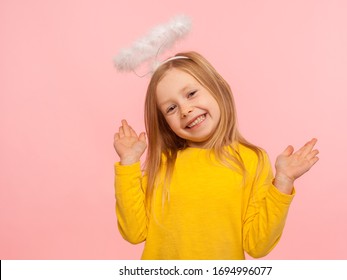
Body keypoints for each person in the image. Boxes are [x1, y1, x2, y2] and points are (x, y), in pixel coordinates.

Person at [113, 51, 319, 260]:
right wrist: (128, 164)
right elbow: (134, 232)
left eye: (191, 94)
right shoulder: (163, 164)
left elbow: (257, 245)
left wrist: (283, 182)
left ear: (217, 88)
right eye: (171, 108)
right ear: (164, 122)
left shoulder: (251, 159)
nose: (185, 110)